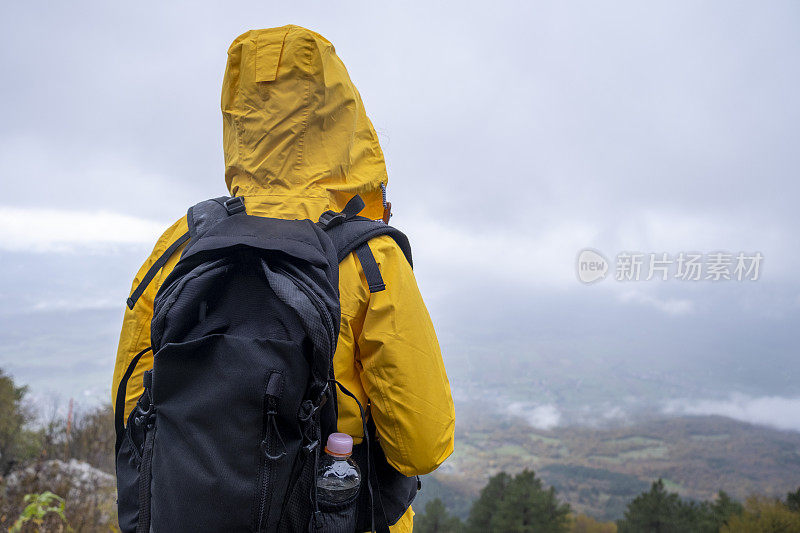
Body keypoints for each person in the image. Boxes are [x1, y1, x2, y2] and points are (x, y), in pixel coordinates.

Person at [111, 25, 455, 532]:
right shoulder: (367, 257)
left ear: (235, 113)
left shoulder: (181, 242)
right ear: (342, 116)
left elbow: (132, 410)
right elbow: (422, 443)